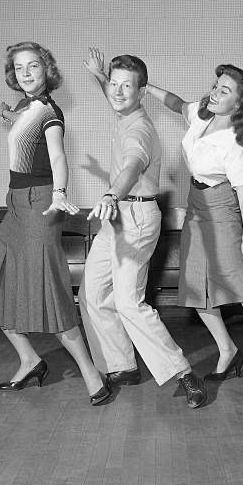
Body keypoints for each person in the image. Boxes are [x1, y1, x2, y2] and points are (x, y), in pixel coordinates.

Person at [0, 42, 110, 406]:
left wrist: (60, 192)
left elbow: (57, 156)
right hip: (16, 203)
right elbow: (22, 128)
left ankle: (91, 374)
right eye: (19, 68)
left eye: (33, 66)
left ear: (47, 70)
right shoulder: (25, 108)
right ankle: (30, 360)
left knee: (48, 290)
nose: (26, 73)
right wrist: (5, 114)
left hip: (41, 203)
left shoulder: (49, 111)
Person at [146, 64, 243, 402]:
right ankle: (228, 350)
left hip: (222, 207)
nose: (215, 93)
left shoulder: (235, 142)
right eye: (216, 85)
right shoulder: (201, 115)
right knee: (194, 284)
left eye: (225, 90)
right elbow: (176, 103)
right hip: (196, 204)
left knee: (240, 283)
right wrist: (147, 87)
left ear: (240, 103)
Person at [79, 47, 207, 408]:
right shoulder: (126, 110)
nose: (118, 92)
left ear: (142, 92)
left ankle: (183, 373)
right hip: (117, 216)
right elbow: (115, 96)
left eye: (127, 86)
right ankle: (121, 365)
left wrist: (110, 193)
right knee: (92, 294)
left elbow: (132, 166)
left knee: (128, 303)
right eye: (114, 84)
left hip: (134, 216)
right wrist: (99, 75)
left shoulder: (140, 130)